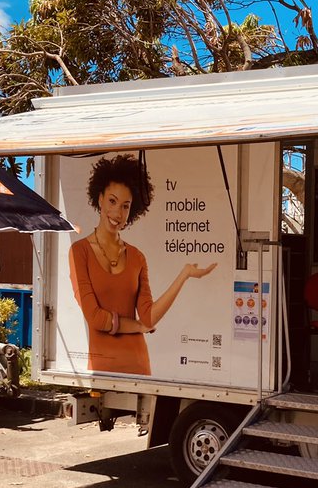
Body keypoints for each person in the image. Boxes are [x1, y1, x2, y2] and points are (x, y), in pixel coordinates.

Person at [69, 154, 216, 375]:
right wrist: (137, 326)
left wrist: (184, 275)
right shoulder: (79, 252)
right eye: (112, 201)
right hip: (102, 369)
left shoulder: (137, 257)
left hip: (138, 364)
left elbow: (148, 317)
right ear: (99, 198)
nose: (118, 213)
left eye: (126, 206)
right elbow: (95, 317)